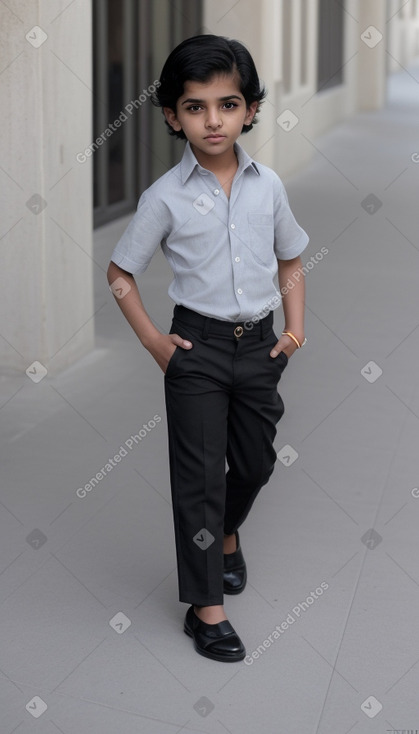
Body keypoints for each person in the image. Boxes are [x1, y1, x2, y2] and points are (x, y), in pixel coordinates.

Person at [107, 34, 308, 663]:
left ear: (249, 109)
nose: (213, 119)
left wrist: (294, 331)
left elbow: (292, 255)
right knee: (197, 479)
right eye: (195, 107)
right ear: (172, 116)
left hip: (259, 350)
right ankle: (206, 609)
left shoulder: (266, 184)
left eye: (228, 104)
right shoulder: (163, 196)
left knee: (254, 464)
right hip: (195, 347)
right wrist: (155, 344)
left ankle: (227, 535)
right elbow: (120, 275)